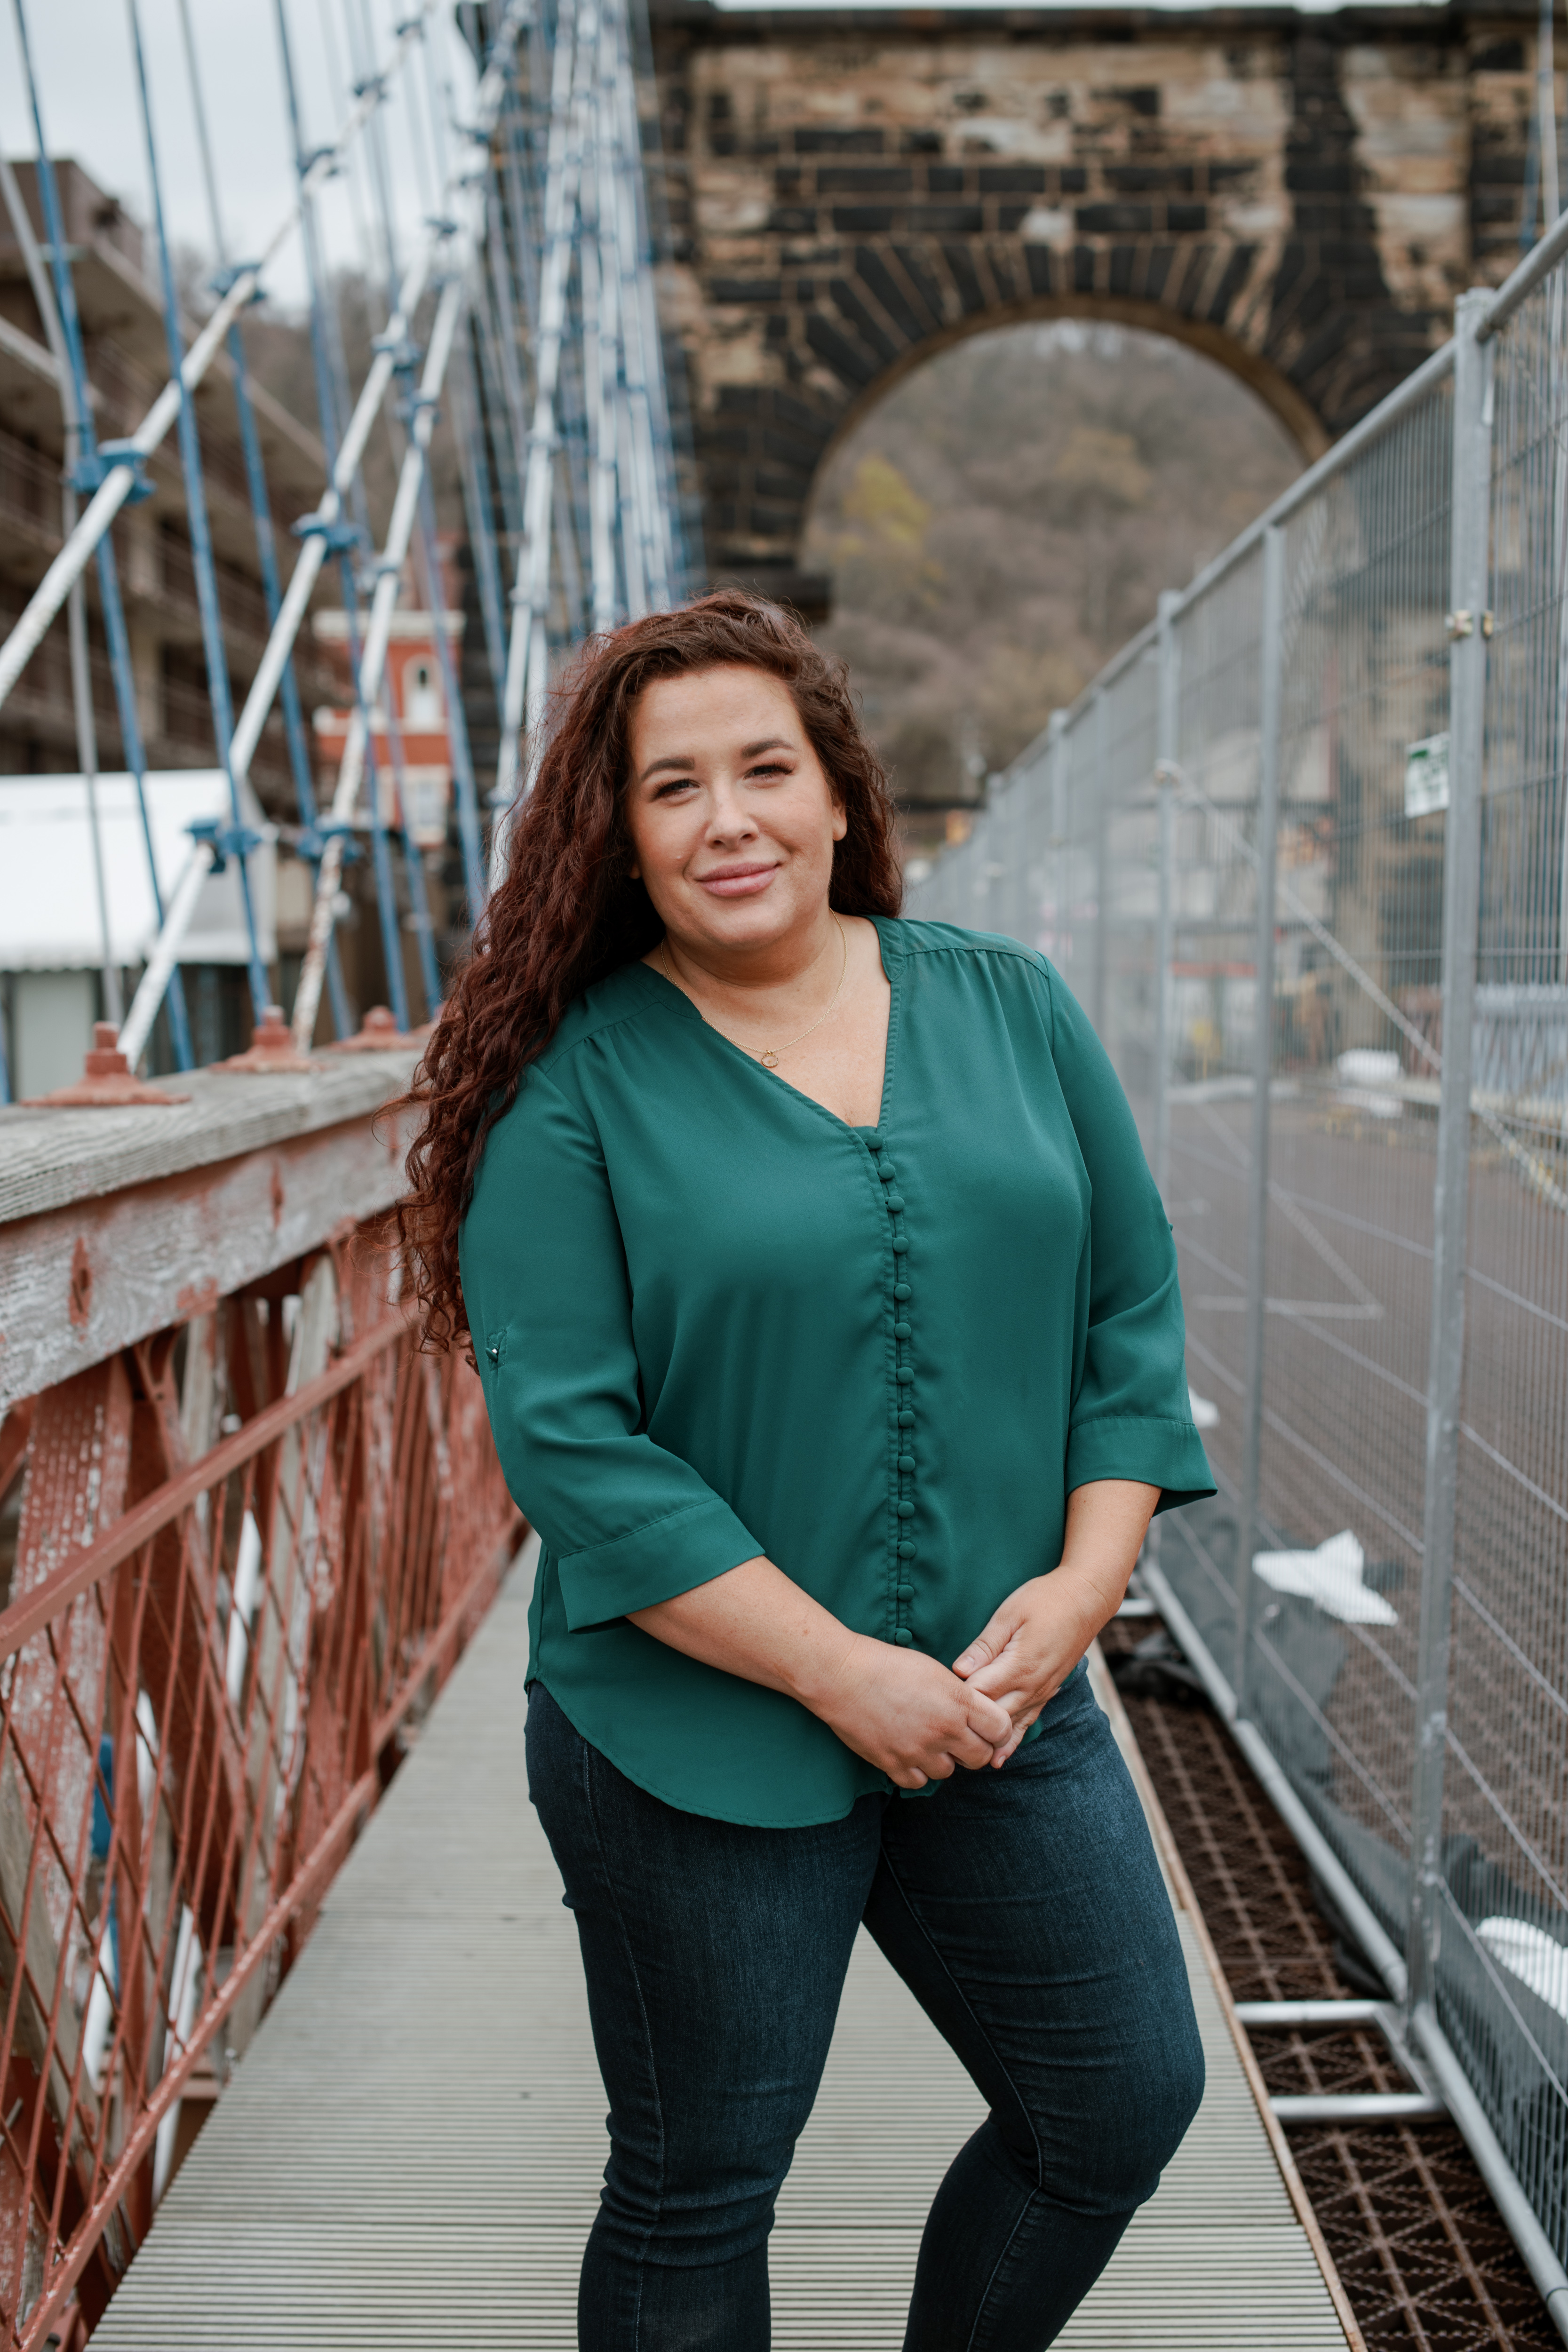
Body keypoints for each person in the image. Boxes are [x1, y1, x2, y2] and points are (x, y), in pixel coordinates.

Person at [399, 591, 1214, 2352]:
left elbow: (1126, 1314)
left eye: (765, 767)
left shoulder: (1012, 1007)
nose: (729, 817)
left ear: (840, 794)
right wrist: (841, 1674)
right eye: (672, 785)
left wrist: (1084, 1586)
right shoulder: (572, 1090)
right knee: (703, 2183)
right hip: (697, 1731)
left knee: (1119, 2103)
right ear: (623, 835)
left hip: (1002, 1693)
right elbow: (577, 1452)